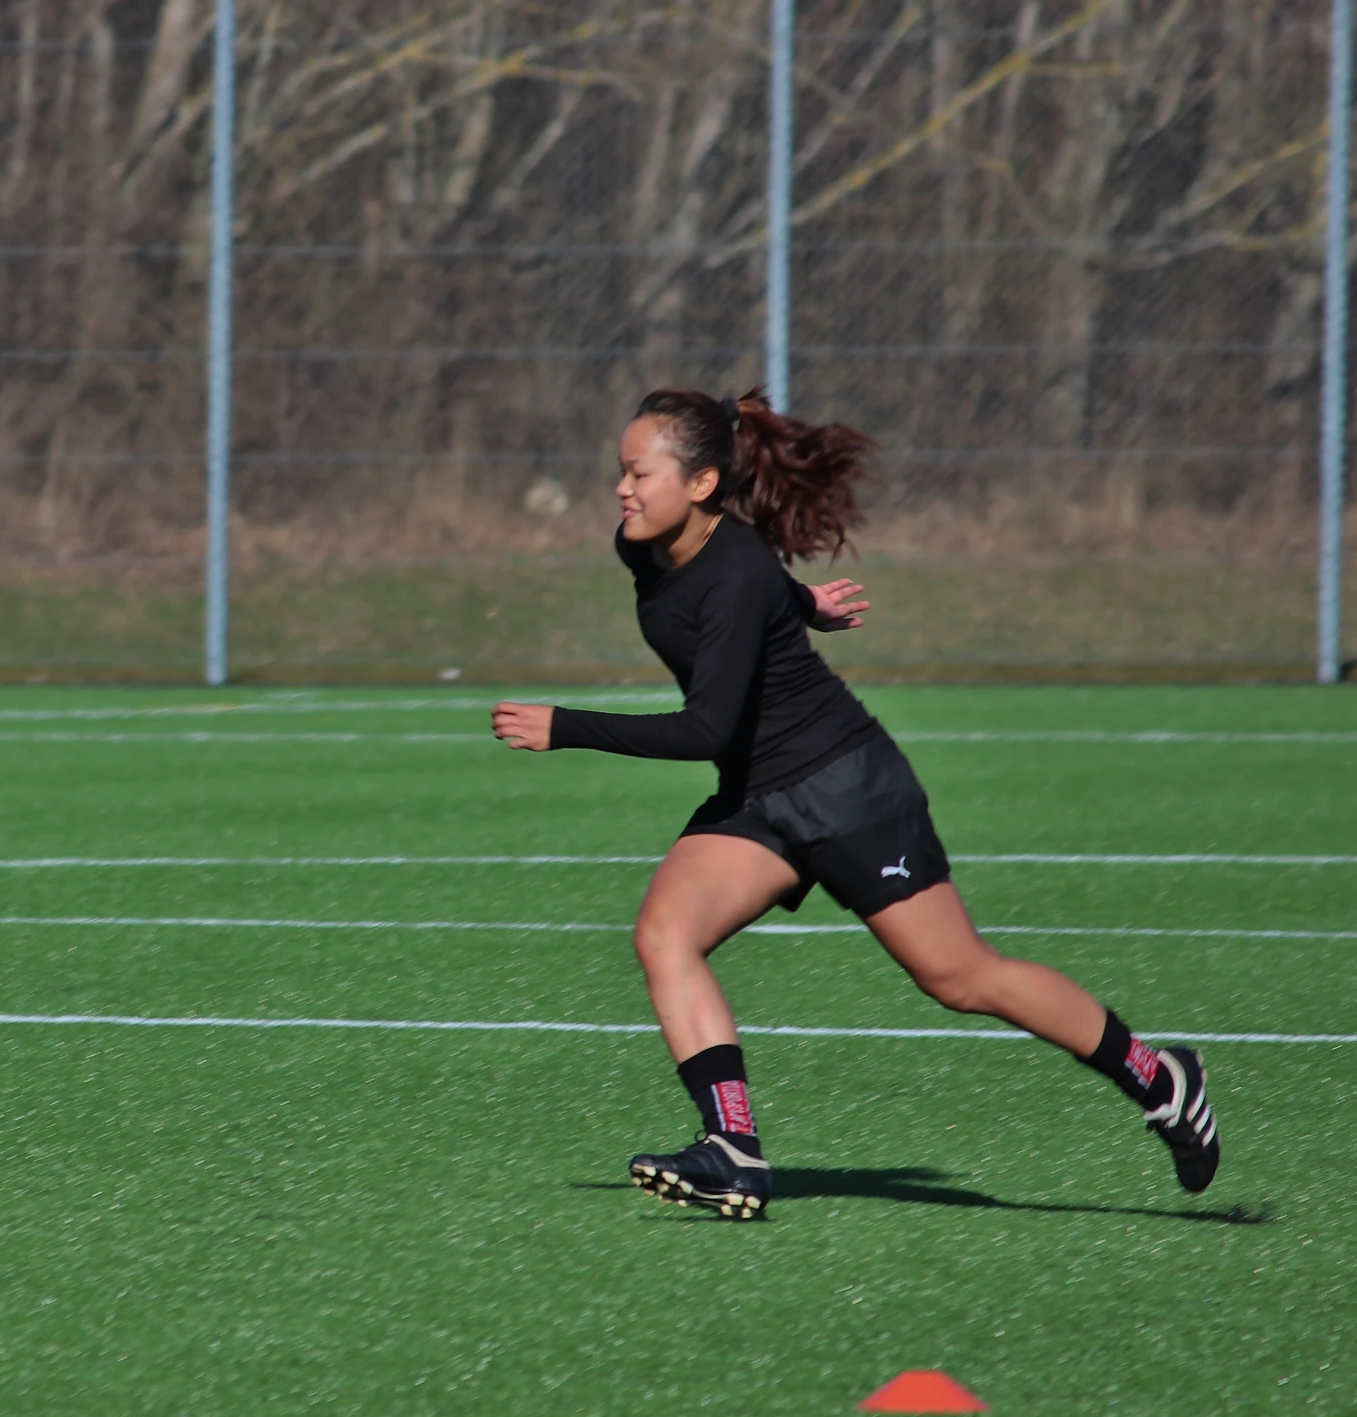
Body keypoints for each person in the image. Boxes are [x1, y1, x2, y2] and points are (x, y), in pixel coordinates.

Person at [490, 388, 1219, 1220]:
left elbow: (704, 728)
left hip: (848, 787)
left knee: (960, 976)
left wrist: (566, 726)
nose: (622, 489)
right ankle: (732, 1148)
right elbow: (762, 612)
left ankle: (1162, 1078)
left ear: (699, 484)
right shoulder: (643, 545)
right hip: (761, 797)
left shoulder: (735, 571)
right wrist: (808, 605)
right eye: (619, 471)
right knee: (665, 933)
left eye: (637, 472)